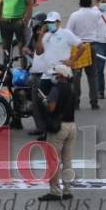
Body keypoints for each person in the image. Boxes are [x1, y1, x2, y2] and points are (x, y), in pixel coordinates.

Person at [37, 64, 77, 202]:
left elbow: (51, 107)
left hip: (58, 128)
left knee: (53, 160)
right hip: (71, 126)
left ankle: (54, 191)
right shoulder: (71, 89)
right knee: (67, 160)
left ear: (60, 76)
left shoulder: (56, 89)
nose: (53, 77)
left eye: (55, 74)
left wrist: (44, 100)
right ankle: (67, 190)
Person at [66, 0, 102, 110]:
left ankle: (76, 102)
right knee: (93, 76)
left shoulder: (74, 15)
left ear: (80, 2)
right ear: (90, 3)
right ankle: (94, 101)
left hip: (78, 47)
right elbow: (98, 10)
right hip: (92, 45)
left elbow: (68, 32)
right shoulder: (96, 14)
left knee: (76, 77)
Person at [0, 0, 33, 64]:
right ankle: (6, 67)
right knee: (6, 46)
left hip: (18, 21)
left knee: (21, 45)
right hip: (5, 21)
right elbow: (0, 4)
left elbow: (29, 4)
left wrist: (26, 19)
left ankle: (23, 66)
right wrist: (0, 18)